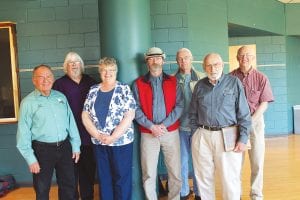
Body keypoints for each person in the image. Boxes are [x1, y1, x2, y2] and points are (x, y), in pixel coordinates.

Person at [189, 53, 252, 200]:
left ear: (222, 65)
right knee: (203, 178)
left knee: (230, 179)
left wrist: (243, 138)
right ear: (204, 68)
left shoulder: (234, 83)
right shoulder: (199, 85)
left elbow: (244, 113)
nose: (213, 68)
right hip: (202, 135)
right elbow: (192, 112)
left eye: (216, 64)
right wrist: (195, 133)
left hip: (228, 134)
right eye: (209, 65)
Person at [16, 64, 81, 200]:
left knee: (69, 185)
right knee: (42, 188)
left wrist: (76, 145)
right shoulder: (27, 103)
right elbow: (23, 133)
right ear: (34, 80)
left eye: (49, 76)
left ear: (53, 78)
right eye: (41, 77)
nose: (46, 80)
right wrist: (30, 159)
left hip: (64, 147)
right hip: (42, 150)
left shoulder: (61, 97)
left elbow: (71, 123)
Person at [132, 47, 184, 200]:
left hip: (170, 132)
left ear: (163, 60)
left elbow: (180, 105)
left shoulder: (173, 82)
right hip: (148, 134)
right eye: (151, 58)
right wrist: (151, 126)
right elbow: (135, 108)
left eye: (158, 58)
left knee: (175, 171)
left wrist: (164, 125)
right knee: (148, 173)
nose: (155, 61)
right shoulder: (138, 83)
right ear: (147, 62)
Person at [82, 57, 136, 200]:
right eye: (104, 70)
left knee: (121, 178)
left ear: (116, 72)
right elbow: (85, 115)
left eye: (111, 70)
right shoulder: (93, 90)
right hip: (99, 143)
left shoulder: (124, 89)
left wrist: (113, 137)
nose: (108, 73)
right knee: (104, 178)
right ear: (100, 72)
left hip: (120, 143)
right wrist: (98, 135)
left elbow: (129, 115)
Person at [231, 46, 274, 200]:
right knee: (236, 163)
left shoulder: (262, 78)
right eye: (242, 55)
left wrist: (249, 121)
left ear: (253, 58)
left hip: (255, 123)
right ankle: (236, 193)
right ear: (237, 58)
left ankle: (256, 194)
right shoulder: (230, 77)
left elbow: (264, 103)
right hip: (235, 125)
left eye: (248, 55)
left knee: (257, 162)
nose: (245, 58)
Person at [53, 52, 97, 200]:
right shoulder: (59, 84)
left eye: (76, 61)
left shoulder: (90, 82)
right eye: (70, 62)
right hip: (68, 138)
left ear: (81, 65)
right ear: (65, 66)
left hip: (88, 136)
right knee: (69, 176)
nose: (73, 64)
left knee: (87, 173)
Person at [174, 48, 204, 200]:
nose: (183, 61)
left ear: (192, 59)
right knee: (182, 162)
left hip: (198, 128)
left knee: (198, 162)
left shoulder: (201, 78)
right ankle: (184, 192)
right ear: (177, 61)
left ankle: (199, 193)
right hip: (180, 128)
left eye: (186, 57)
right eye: (180, 58)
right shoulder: (172, 80)